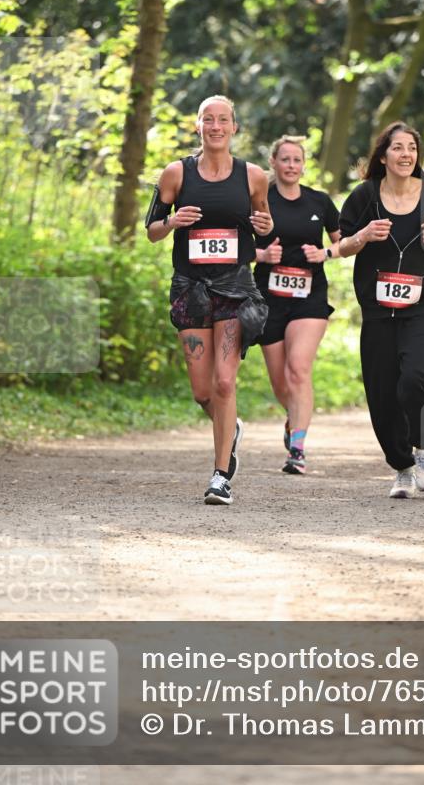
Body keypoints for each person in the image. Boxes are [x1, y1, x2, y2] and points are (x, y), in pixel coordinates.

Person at [145, 95, 272, 506]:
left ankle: (220, 476)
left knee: (223, 380)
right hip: (191, 288)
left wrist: (266, 226)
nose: (216, 126)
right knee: (203, 392)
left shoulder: (253, 177)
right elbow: (151, 229)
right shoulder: (175, 174)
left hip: (235, 287)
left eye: (223, 120)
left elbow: (265, 230)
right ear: (197, 126)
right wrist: (172, 222)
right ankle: (229, 426)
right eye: (208, 120)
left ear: (235, 127)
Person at [339, 122, 424, 499]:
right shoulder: (364, 197)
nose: (405, 154)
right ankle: (402, 467)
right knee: (381, 391)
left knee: (412, 379)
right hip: (376, 308)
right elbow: (341, 246)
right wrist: (362, 237)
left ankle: (423, 447)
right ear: (383, 155)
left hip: (422, 304)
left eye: (411, 148)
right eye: (397, 148)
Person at [254, 136, 341, 475]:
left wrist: (325, 253)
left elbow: (344, 241)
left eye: (297, 160)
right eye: (285, 159)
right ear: (273, 162)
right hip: (269, 299)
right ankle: (294, 421)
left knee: (299, 370)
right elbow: (239, 242)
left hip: (310, 297)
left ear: (305, 165)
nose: (291, 165)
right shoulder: (259, 201)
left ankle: (298, 449)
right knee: (281, 384)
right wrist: (262, 255)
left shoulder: (319, 202)